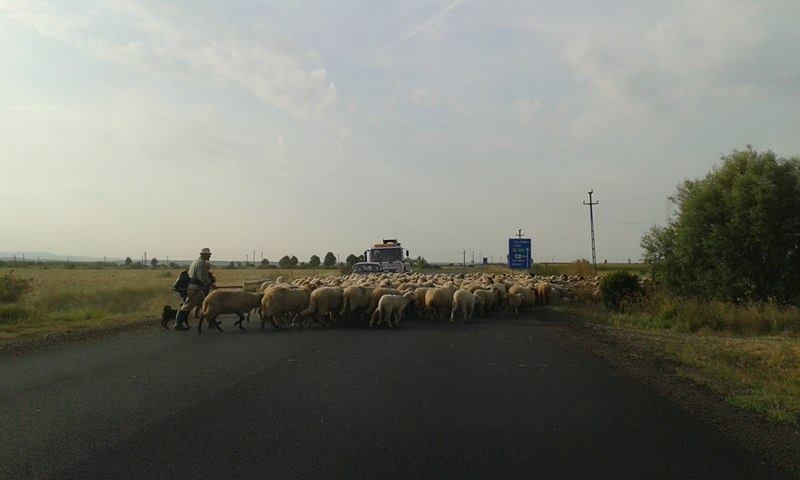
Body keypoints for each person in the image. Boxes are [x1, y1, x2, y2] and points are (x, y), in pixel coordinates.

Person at [173, 247, 215, 330]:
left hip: (196, 287)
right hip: (195, 287)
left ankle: (210, 322)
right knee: (187, 305)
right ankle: (177, 324)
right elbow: (202, 278)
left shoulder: (197, 261)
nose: (209, 256)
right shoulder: (201, 263)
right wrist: (211, 284)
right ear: (203, 255)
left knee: (205, 304)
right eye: (208, 254)